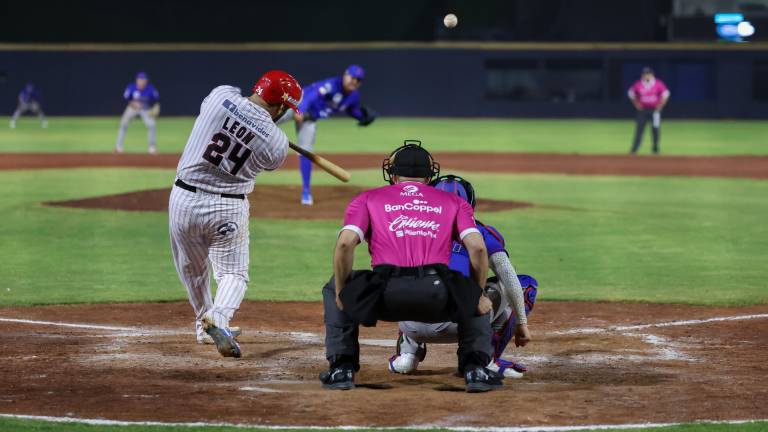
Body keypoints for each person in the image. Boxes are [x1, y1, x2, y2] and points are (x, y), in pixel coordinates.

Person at [320, 140, 504, 393]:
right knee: (472, 289)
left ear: (393, 174)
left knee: (333, 287)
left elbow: (344, 246)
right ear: (430, 177)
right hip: (437, 294)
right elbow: (478, 248)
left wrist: (342, 291)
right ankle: (475, 369)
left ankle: (342, 367)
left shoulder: (367, 199)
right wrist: (476, 294)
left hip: (385, 295)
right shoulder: (454, 202)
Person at [169, 71, 302, 358]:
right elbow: (269, 160)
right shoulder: (277, 143)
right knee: (233, 273)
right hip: (227, 207)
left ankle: (205, 324)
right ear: (280, 107)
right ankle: (219, 318)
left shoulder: (220, 96)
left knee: (193, 270)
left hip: (183, 199)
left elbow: (234, 98)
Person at [387, 175, 536, 378]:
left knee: (413, 282)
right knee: (524, 285)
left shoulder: (407, 226)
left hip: (409, 323)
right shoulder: (480, 232)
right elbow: (509, 279)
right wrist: (522, 323)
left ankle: (406, 357)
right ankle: (483, 358)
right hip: (458, 324)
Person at [279, 65, 376, 205]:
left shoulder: (353, 96)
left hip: (310, 118)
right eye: (352, 77)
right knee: (266, 120)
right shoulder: (331, 85)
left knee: (306, 151)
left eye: (358, 80)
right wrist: (300, 111)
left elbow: (351, 110)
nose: (354, 81)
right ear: (345, 75)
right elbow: (310, 96)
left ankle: (306, 191)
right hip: (297, 103)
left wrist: (361, 117)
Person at [115, 72, 161, 154]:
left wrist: (156, 107)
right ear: (137, 80)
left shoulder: (150, 89)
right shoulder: (131, 87)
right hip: (132, 108)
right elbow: (126, 98)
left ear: (146, 81)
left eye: (143, 80)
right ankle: (118, 147)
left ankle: (152, 148)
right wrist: (133, 103)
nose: (141, 82)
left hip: (145, 109)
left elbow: (156, 100)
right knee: (123, 124)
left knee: (152, 125)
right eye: (140, 80)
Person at [628, 67, 670, 155]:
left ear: (652, 74)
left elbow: (666, 94)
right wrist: (636, 104)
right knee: (639, 129)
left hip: (655, 111)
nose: (646, 76)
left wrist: (661, 105)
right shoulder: (638, 84)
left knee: (655, 129)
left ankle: (655, 149)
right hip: (642, 110)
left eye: (648, 74)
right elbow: (631, 94)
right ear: (642, 75)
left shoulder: (658, 83)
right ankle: (634, 150)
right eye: (645, 74)